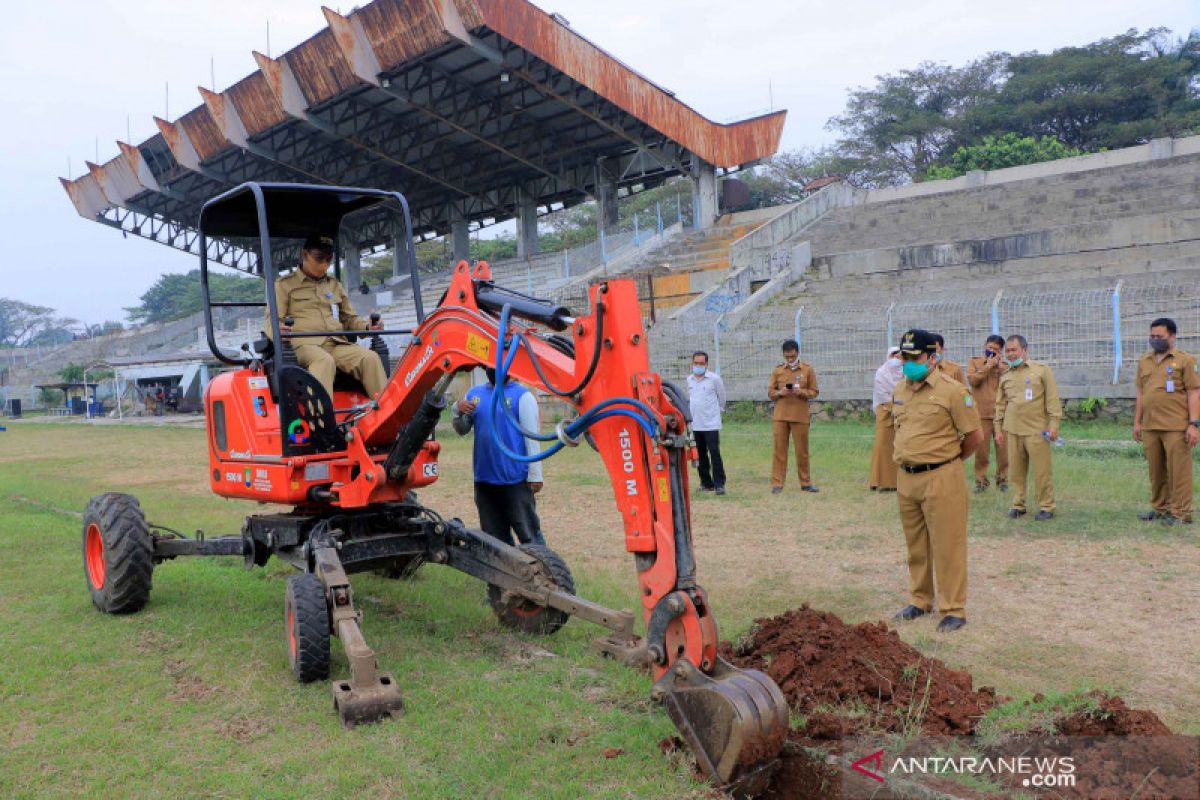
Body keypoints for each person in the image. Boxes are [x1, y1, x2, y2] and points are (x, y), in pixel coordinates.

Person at [891, 329, 982, 633]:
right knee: (916, 546)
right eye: (904, 357)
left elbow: (974, 437)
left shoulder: (954, 391)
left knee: (948, 545)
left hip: (942, 477)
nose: (908, 363)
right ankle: (920, 600)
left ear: (932, 357)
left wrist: (948, 461)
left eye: (914, 357)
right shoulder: (900, 390)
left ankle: (953, 608)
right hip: (907, 479)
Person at [272, 233, 387, 398]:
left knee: (370, 358)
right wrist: (279, 331)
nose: (324, 265)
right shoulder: (284, 285)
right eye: (319, 258)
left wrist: (368, 327)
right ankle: (321, 422)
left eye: (329, 259)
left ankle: (387, 416)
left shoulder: (334, 286)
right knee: (323, 361)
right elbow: (273, 320)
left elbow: (350, 319)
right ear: (305, 254)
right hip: (303, 345)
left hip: (336, 343)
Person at [451, 369, 546, 547]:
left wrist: (535, 475)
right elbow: (462, 429)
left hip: (515, 480)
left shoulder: (522, 396)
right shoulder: (474, 394)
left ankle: (545, 572)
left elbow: (532, 437)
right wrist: (457, 409)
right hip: (484, 481)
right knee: (495, 541)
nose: (494, 368)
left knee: (529, 536)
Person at [1134, 317, 1199, 526]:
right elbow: (1141, 394)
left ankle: (1181, 513)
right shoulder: (1144, 361)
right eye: (1152, 336)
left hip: (1176, 426)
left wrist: (1193, 424)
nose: (1155, 340)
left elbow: (1193, 393)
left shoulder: (1185, 360)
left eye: (1159, 336)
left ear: (1172, 336)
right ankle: (1161, 508)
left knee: (1179, 471)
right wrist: (1137, 422)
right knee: (1156, 470)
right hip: (1150, 426)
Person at [994, 334, 1061, 521]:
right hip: (1013, 431)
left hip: (1037, 430)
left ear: (1025, 350)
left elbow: (1052, 400)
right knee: (1016, 472)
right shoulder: (1005, 376)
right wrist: (998, 429)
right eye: (1007, 351)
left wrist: (1054, 425)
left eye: (1014, 350)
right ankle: (1018, 504)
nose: (1010, 354)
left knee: (1042, 471)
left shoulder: (1041, 371)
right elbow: (1000, 405)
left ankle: (1046, 506)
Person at [768, 339, 819, 494]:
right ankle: (777, 483)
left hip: (800, 416)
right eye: (787, 356)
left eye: (792, 356)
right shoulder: (778, 370)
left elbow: (814, 391)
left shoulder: (807, 370)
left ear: (797, 353)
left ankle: (806, 482)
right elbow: (770, 392)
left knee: (802, 451)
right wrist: (780, 392)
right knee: (779, 450)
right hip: (781, 416)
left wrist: (801, 392)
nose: (790, 359)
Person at [967, 335, 1009, 493]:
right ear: (985, 345)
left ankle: (1003, 479)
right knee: (981, 452)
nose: (991, 351)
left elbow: (1009, 383)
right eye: (989, 347)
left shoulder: (1005, 366)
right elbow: (973, 381)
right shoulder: (974, 362)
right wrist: (988, 366)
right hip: (981, 414)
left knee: (1003, 451)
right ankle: (981, 481)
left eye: (996, 349)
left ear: (1001, 351)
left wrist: (998, 367)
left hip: (1000, 415)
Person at [687, 351, 727, 495]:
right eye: (695, 363)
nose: (698, 366)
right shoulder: (689, 379)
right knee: (700, 454)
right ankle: (706, 482)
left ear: (706, 364)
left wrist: (716, 414)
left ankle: (719, 484)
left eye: (701, 363)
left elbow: (722, 398)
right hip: (695, 424)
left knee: (714, 453)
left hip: (711, 424)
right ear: (692, 364)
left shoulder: (714, 379)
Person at [869, 346, 903, 492]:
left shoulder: (906, 373)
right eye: (893, 356)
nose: (896, 359)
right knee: (882, 446)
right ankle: (878, 480)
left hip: (903, 414)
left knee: (900, 447)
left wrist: (901, 408)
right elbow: (882, 394)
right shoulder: (881, 373)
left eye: (899, 356)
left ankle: (898, 482)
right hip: (885, 412)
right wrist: (893, 407)